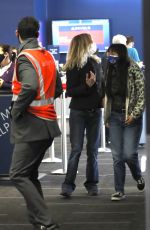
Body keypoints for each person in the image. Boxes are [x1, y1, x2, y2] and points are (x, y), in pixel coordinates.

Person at [9, 16, 62, 230]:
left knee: (18, 174)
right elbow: (58, 88)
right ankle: (38, 221)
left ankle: (47, 223)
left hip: (32, 125)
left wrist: (16, 110)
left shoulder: (24, 58)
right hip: (48, 124)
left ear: (17, 33)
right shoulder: (47, 55)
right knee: (29, 174)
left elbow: (29, 87)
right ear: (38, 34)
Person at [60, 33, 104, 197]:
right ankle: (68, 185)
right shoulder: (72, 66)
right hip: (78, 111)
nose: (94, 43)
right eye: (91, 41)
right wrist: (86, 86)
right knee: (76, 149)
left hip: (95, 111)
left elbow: (100, 86)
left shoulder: (96, 62)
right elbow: (70, 91)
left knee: (92, 150)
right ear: (85, 44)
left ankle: (92, 184)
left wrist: (102, 95)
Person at [104, 43, 145, 201]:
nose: (110, 56)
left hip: (131, 118)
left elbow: (142, 95)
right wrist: (107, 117)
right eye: (109, 53)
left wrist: (134, 114)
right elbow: (107, 96)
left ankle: (138, 176)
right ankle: (119, 190)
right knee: (117, 156)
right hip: (114, 116)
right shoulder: (109, 69)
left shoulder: (133, 68)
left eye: (112, 53)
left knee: (129, 154)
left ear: (121, 54)